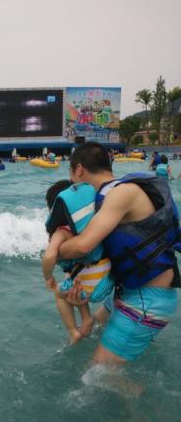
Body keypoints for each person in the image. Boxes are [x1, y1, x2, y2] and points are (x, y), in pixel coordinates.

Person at [55, 142, 180, 365]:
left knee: (100, 374)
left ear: (79, 169)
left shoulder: (122, 194)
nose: (71, 184)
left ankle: (139, 395)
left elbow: (83, 246)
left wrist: (53, 250)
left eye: (70, 174)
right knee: (93, 331)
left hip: (148, 300)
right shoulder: (106, 199)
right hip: (128, 294)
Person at [42, 180, 114, 344]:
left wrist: (48, 277)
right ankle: (86, 319)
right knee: (73, 274)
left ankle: (74, 330)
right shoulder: (93, 223)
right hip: (108, 277)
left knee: (60, 293)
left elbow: (49, 256)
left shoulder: (61, 232)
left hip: (91, 288)